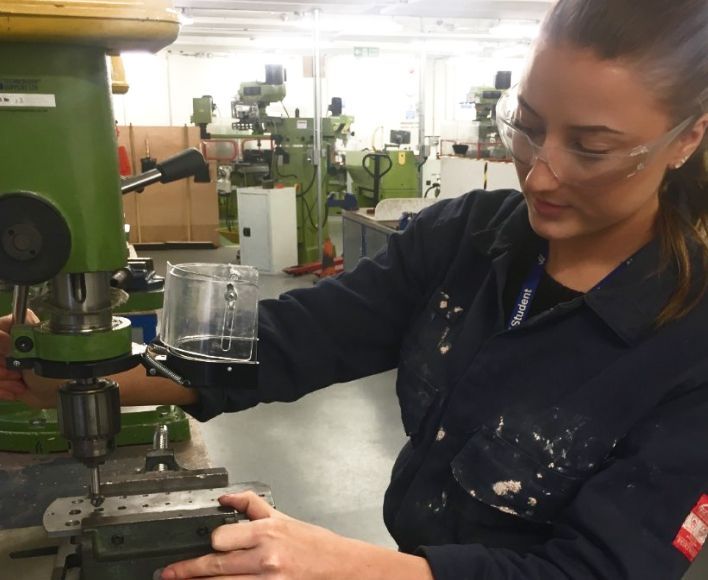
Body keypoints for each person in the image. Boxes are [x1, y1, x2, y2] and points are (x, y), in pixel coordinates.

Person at [1, 0, 707, 577]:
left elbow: (602, 569)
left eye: (590, 147)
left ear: (686, 139)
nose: (540, 173)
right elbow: (300, 338)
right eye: (526, 126)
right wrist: (93, 373)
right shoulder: (469, 239)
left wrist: (351, 566)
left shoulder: (689, 342)